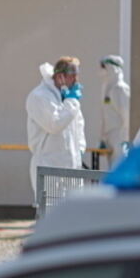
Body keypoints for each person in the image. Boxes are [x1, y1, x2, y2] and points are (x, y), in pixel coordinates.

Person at [25, 56, 85, 196]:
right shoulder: (40, 96)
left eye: (77, 76)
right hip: (49, 167)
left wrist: (79, 149)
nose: (76, 81)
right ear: (60, 76)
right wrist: (72, 100)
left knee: (72, 215)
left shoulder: (66, 98)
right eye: (72, 76)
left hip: (71, 167)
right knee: (50, 213)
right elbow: (54, 124)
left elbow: (79, 126)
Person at [98, 55, 131, 164]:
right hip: (110, 136)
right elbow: (105, 115)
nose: (103, 71)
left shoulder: (120, 88)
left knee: (120, 167)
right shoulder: (106, 88)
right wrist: (102, 138)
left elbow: (126, 116)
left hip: (120, 136)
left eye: (105, 67)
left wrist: (125, 140)